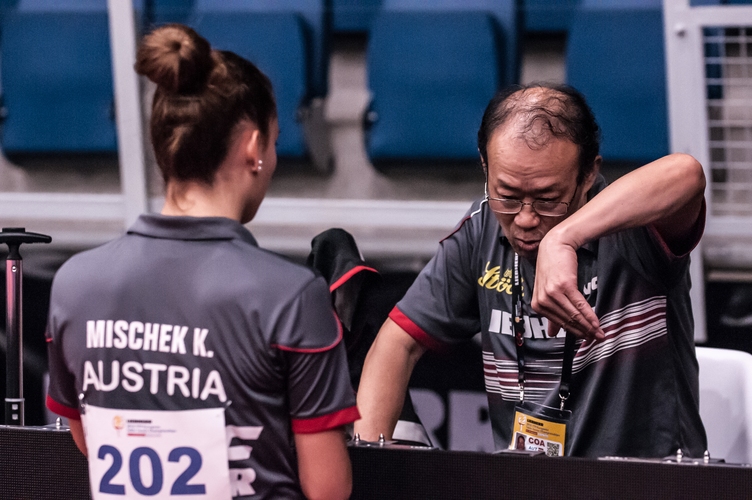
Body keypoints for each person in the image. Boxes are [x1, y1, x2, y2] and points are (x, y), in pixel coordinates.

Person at [45, 24, 357, 500]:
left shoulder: (72, 285)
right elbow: (327, 489)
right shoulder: (292, 296)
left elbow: (88, 439)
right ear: (253, 148)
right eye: (273, 142)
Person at [355, 83, 708, 458]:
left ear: (588, 174)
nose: (524, 219)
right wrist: (368, 466)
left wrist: (564, 238)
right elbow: (397, 343)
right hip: (526, 485)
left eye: (548, 199)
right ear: (484, 165)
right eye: (507, 195)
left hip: (645, 485)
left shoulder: (635, 229)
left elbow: (687, 174)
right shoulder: (481, 231)